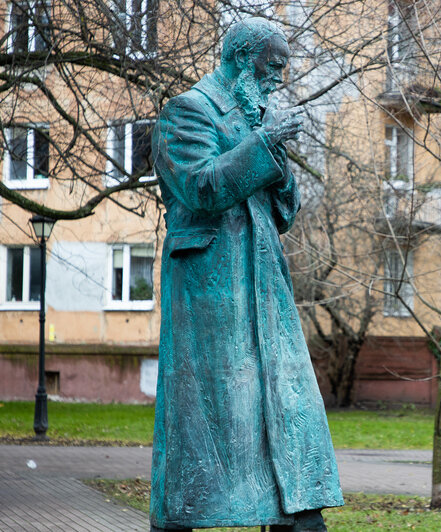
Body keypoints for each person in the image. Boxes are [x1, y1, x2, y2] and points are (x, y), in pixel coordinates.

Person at [149, 18, 343, 532]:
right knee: (209, 411)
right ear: (240, 59)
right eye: (272, 65)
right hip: (211, 288)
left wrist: (274, 156)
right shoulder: (186, 111)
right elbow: (201, 188)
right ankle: (185, 515)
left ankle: (298, 507)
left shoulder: (252, 115)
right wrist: (262, 145)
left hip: (264, 281)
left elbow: (284, 212)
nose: (279, 77)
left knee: (287, 396)